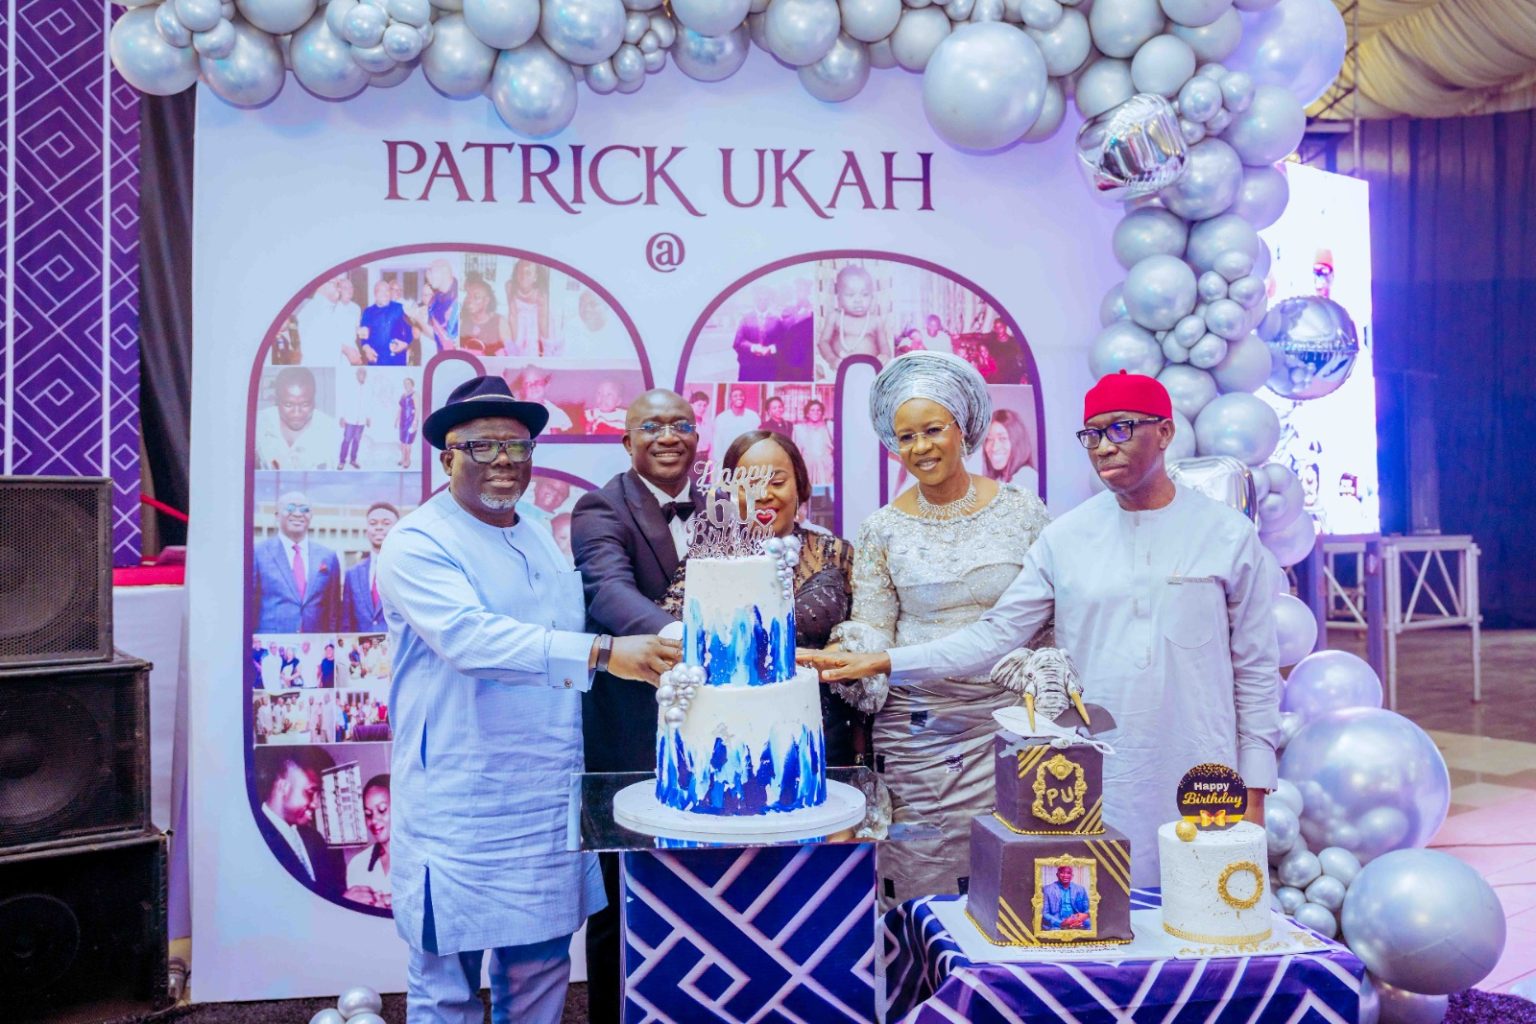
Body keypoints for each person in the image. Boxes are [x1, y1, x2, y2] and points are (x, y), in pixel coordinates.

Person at [808, 370, 1281, 886]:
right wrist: (884, 660)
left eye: (1121, 428)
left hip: (1202, 773)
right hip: (1092, 771)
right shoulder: (1068, 537)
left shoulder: (1228, 535)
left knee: (1204, 910)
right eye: (1093, 434)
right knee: (1094, 911)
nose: (1105, 446)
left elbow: (1255, 668)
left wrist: (1255, 786)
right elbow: (995, 634)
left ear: (1164, 432)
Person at [376, 374, 678, 1024]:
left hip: (543, 800)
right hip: (463, 805)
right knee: (447, 989)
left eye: (517, 446)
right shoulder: (418, 541)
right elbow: (471, 640)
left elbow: (572, 624)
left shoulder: (538, 532)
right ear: (447, 458)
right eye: (482, 446)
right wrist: (604, 653)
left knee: (541, 974)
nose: (503, 460)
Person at [805, 352, 1053, 907]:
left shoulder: (1023, 511)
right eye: (906, 437)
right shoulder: (881, 528)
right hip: (920, 731)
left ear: (963, 429)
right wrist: (848, 650)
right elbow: (875, 627)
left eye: (933, 430)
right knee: (925, 880)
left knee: (1017, 880)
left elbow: (1047, 618)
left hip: (1011, 721)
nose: (921, 447)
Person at [570, 388, 703, 1024]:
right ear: (627, 441)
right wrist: (691, 642)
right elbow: (608, 591)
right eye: (652, 426)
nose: (668, 436)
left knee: (702, 893)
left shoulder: (721, 505)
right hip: (630, 734)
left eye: (681, 424)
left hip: (712, 731)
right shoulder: (600, 506)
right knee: (621, 900)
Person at [659, 430, 868, 765]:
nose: (764, 494)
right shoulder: (708, 558)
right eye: (748, 483)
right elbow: (673, 633)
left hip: (823, 739)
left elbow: (869, 634)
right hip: (726, 741)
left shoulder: (835, 553)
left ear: (800, 486)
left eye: (777, 482)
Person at [256, 751, 346, 898]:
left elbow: (328, 892)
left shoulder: (315, 840)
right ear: (283, 787)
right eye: (310, 792)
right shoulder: (254, 834)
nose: (316, 804)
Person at [253, 490, 341, 633]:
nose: (298, 514)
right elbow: (249, 607)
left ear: (311, 516)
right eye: (290, 508)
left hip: (315, 642)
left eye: (304, 509)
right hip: (272, 642)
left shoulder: (328, 557)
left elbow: (333, 612)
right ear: (277, 516)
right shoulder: (258, 553)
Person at [255, 367, 339, 471]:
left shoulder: (331, 433)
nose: (297, 412)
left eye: (305, 404)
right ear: (277, 400)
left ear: (313, 400)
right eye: (288, 404)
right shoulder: (259, 424)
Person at [816, 264, 888, 369]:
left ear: (872, 296)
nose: (858, 300)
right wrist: (831, 359)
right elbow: (823, 342)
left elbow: (884, 344)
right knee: (820, 368)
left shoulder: (875, 321)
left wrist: (885, 355)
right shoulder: (835, 317)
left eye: (865, 294)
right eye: (850, 295)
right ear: (839, 298)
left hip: (869, 368)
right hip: (839, 367)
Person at [344, 501, 401, 633]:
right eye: (373, 523)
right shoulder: (352, 574)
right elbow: (346, 622)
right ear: (366, 531)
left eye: (386, 523)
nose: (379, 527)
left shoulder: (407, 570)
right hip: (361, 644)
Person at [345, 774, 394, 909]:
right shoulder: (357, 864)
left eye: (382, 810)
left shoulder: (424, 857)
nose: (374, 820)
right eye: (368, 814)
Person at [979, 408, 1038, 494]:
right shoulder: (999, 479)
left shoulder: (1026, 476)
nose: (994, 447)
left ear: (1017, 442)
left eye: (1003, 438)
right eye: (989, 439)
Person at [358, 279, 413, 366]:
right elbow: (363, 337)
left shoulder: (399, 308)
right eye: (381, 291)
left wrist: (405, 344)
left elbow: (410, 332)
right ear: (375, 294)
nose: (385, 294)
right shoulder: (368, 312)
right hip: (375, 361)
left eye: (387, 290)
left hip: (397, 361)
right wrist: (367, 349)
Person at [507, 365, 573, 434]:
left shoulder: (557, 413)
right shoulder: (516, 412)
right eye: (528, 383)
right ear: (522, 389)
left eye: (537, 382)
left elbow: (562, 437)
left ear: (546, 385)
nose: (533, 386)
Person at [505, 259, 550, 356]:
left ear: (535, 277)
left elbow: (542, 318)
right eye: (520, 272)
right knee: (515, 349)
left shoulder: (540, 293)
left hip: (534, 323)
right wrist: (513, 342)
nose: (523, 276)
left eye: (528, 273)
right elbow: (513, 315)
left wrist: (546, 345)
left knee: (532, 349)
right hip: (518, 322)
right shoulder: (510, 287)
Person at [711, 386, 760, 467]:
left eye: (741, 395)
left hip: (747, 460)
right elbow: (717, 442)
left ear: (744, 397)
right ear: (730, 399)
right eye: (735, 396)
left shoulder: (753, 416)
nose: (739, 398)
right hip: (728, 460)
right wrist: (720, 462)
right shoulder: (722, 418)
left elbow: (757, 440)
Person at [791, 399, 834, 491]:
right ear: (807, 413)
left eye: (818, 410)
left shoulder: (829, 428)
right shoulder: (799, 429)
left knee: (826, 494)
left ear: (822, 413)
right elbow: (796, 452)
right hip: (807, 466)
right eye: (812, 410)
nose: (816, 412)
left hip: (826, 467)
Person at [459, 276, 508, 355]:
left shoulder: (500, 322)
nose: (470, 300)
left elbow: (511, 354)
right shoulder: (461, 322)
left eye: (476, 297)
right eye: (468, 296)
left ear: (486, 301)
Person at [338, 367, 371, 470]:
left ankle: (353, 460)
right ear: (356, 375)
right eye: (360, 373)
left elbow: (369, 404)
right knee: (347, 440)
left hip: (361, 421)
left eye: (363, 374)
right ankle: (341, 461)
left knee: (356, 441)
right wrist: (342, 417)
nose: (362, 375)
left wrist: (368, 417)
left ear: (365, 376)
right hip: (350, 419)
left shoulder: (368, 389)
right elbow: (344, 402)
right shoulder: (350, 387)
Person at [1041, 866, 1090, 931]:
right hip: (1057, 921)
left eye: (1068, 873)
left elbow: (1088, 910)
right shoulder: (1047, 889)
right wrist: (1061, 923)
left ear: (1072, 876)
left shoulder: (1080, 889)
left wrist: (1079, 920)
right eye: (1062, 873)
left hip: (1076, 920)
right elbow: (1044, 913)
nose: (1065, 875)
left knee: (1090, 925)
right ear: (1057, 874)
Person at [396, 376, 418, 469]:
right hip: (402, 422)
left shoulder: (415, 395)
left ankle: (408, 460)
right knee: (402, 442)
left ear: (412, 384)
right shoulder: (403, 395)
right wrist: (397, 419)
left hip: (410, 422)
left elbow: (417, 409)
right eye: (405, 383)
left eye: (408, 383)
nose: (406, 385)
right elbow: (400, 408)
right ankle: (403, 458)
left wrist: (415, 421)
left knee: (408, 443)